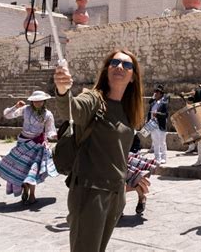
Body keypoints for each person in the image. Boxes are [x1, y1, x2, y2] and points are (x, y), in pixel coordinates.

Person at [54, 49, 145, 252]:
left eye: (127, 65)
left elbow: (118, 152)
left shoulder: (130, 110)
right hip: (90, 190)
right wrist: (62, 90)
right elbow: (72, 109)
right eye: (114, 63)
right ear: (106, 70)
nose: (120, 67)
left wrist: (130, 178)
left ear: (133, 77)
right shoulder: (95, 99)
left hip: (116, 193)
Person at [0, 91, 58, 205]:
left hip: (37, 145)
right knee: (22, 169)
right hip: (23, 143)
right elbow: (8, 115)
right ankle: (25, 188)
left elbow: (50, 131)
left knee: (33, 170)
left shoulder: (48, 114)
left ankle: (32, 195)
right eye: (35, 101)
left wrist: (55, 136)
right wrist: (16, 106)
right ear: (32, 101)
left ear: (44, 101)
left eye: (40, 100)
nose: (38, 103)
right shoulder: (25, 109)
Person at [147, 84, 169, 164]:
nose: (155, 94)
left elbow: (166, 115)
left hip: (160, 124)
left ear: (161, 94)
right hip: (152, 124)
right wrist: (148, 122)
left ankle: (164, 157)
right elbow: (149, 113)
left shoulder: (164, 103)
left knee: (162, 142)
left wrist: (158, 114)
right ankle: (157, 157)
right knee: (155, 141)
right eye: (155, 92)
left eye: (157, 92)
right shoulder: (153, 103)